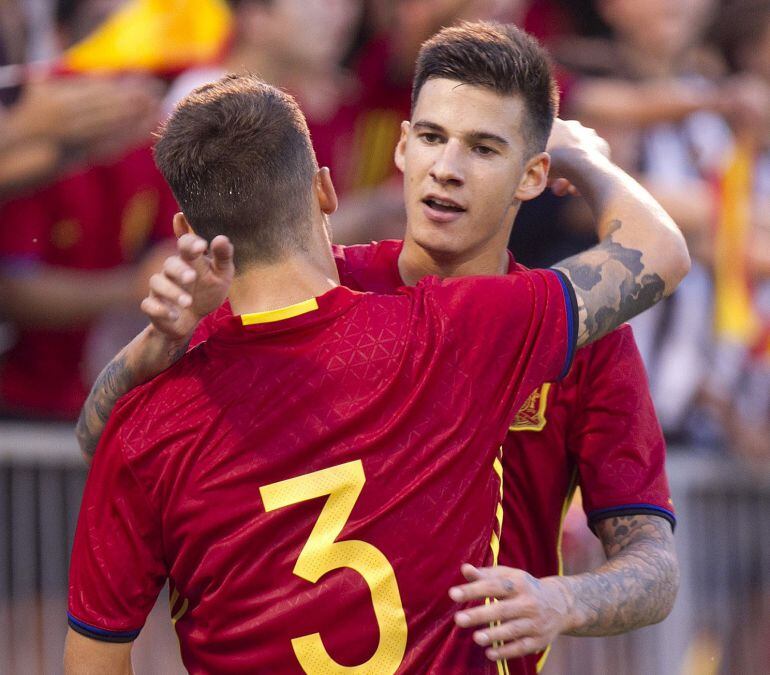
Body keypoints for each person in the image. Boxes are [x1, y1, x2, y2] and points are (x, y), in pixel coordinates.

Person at [72, 23, 688, 672]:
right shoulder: (314, 281)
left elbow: (654, 565)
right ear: (400, 149)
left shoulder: (587, 338)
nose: (446, 170)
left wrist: (564, 599)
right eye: (430, 137)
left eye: (482, 148)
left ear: (534, 173)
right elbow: (113, 440)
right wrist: (157, 341)